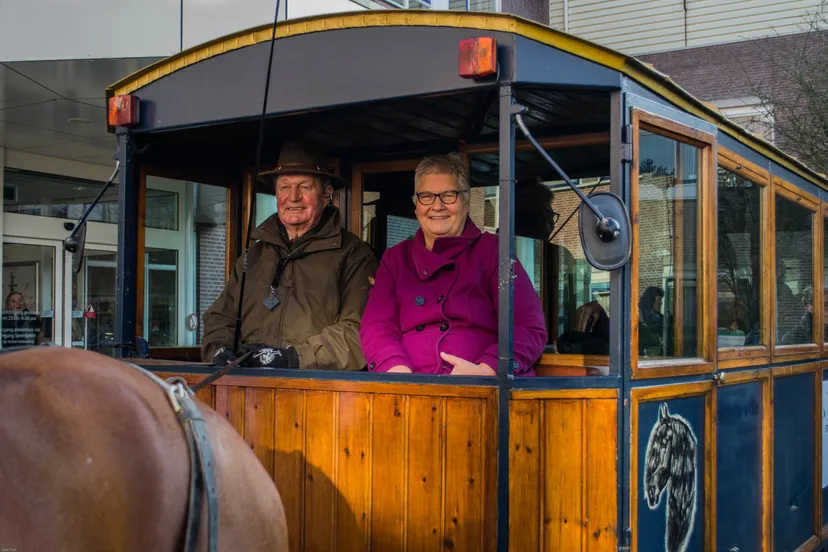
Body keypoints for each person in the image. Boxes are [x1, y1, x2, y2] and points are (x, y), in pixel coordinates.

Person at [359, 153, 547, 376]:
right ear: (416, 206)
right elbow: (376, 326)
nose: (437, 206)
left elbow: (527, 327)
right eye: (427, 196)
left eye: (449, 195)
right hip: (406, 390)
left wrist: (487, 370)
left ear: (466, 203)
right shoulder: (395, 259)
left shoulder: (495, 252)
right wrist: (394, 368)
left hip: (484, 390)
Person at [201, 142, 378, 370]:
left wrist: (292, 358)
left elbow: (358, 332)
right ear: (276, 194)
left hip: (315, 394)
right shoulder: (254, 254)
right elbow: (220, 316)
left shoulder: (354, 255)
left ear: (327, 194)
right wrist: (220, 349)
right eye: (285, 187)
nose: (293, 197)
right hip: (246, 390)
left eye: (305, 187)